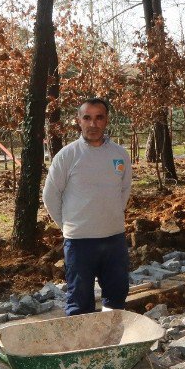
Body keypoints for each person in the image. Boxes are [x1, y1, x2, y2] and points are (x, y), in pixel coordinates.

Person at [42, 98, 132, 315]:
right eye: (87, 118)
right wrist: (69, 226)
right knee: (80, 302)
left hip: (114, 239)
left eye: (99, 117)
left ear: (106, 120)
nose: (93, 124)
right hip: (80, 242)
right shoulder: (67, 155)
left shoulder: (119, 155)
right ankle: (84, 346)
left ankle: (111, 338)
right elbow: (50, 195)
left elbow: (124, 190)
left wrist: (110, 217)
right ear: (79, 121)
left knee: (117, 294)